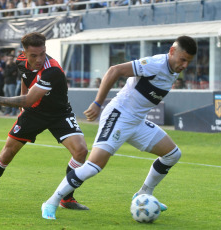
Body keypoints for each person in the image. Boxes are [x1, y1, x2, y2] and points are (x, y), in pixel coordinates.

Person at [41, 35, 197, 220]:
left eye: (189, 62)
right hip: (119, 116)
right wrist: (97, 103)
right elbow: (115, 70)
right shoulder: (155, 64)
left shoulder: (172, 70)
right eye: (183, 59)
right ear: (172, 51)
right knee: (93, 167)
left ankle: (143, 194)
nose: (185, 65)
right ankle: (51, 202)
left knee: (172, 154)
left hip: (137, 122)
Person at [0, 32, 89, 211]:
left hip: (59, 113)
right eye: (34, 55)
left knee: (81, 151)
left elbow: (28, 100)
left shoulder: (52, 70)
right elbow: (25, 80)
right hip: (34, 113)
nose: (39, 58)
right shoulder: (20, 61)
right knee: (7, 153)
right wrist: (22, 105)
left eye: (42, 53)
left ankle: (67, 198)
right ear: (24, 53)